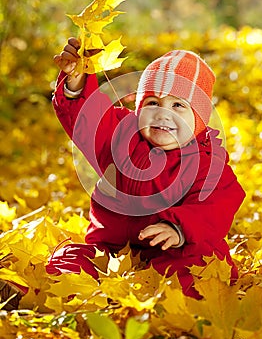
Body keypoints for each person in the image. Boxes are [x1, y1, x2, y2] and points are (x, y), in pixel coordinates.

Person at [46, 38, 245, 299]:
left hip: (173, 252)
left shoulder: (208, 162)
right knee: (69, 258)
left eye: (178, 106)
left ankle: (161, 304)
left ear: (198, 119)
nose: (164, 114)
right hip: (112, 250)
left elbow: (216, 207)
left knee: (200, 270)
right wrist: (76, 83)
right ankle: (60, 295)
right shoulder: (120, 134)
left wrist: (179, 229)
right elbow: (88, 120)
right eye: (153, 103)